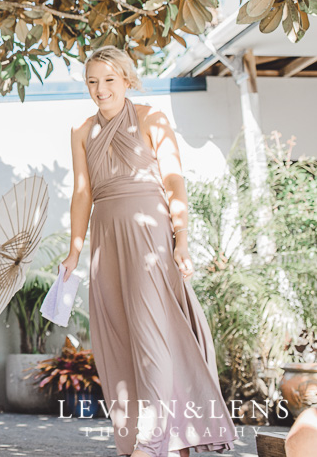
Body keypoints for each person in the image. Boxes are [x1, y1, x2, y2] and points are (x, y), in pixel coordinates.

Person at [61, 46, 236, 457]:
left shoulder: (151, 117)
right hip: (106, 241)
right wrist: (74, 251)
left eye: (108, 80)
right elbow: (82, 194)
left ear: (126, 79)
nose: (100, 90)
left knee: (153, 335)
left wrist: (182, 240)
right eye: (92, 81)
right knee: (118, 339)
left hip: (148, 237)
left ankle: (153, 442)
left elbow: (175, 181)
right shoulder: (81, 131)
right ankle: (163, 442)